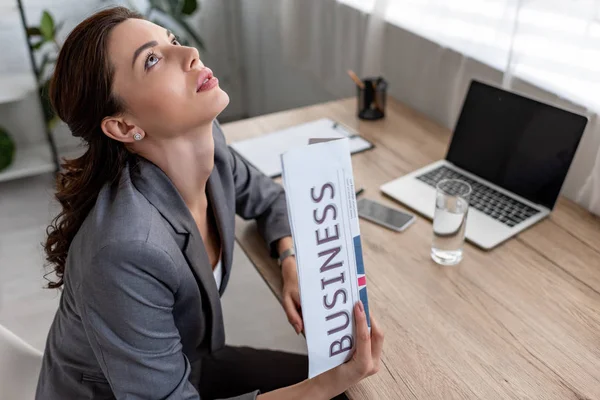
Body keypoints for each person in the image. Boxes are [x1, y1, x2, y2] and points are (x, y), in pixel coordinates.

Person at [36, 6, 384, 400]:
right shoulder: (124, 250)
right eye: (152, 60)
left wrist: (289, 260)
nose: (189, 55)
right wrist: (329, 383)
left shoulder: (207, 142)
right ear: (124, 126)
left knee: (354, 389)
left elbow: (269, 200)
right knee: (338, 386)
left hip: (187, 365)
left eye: (172, 41)